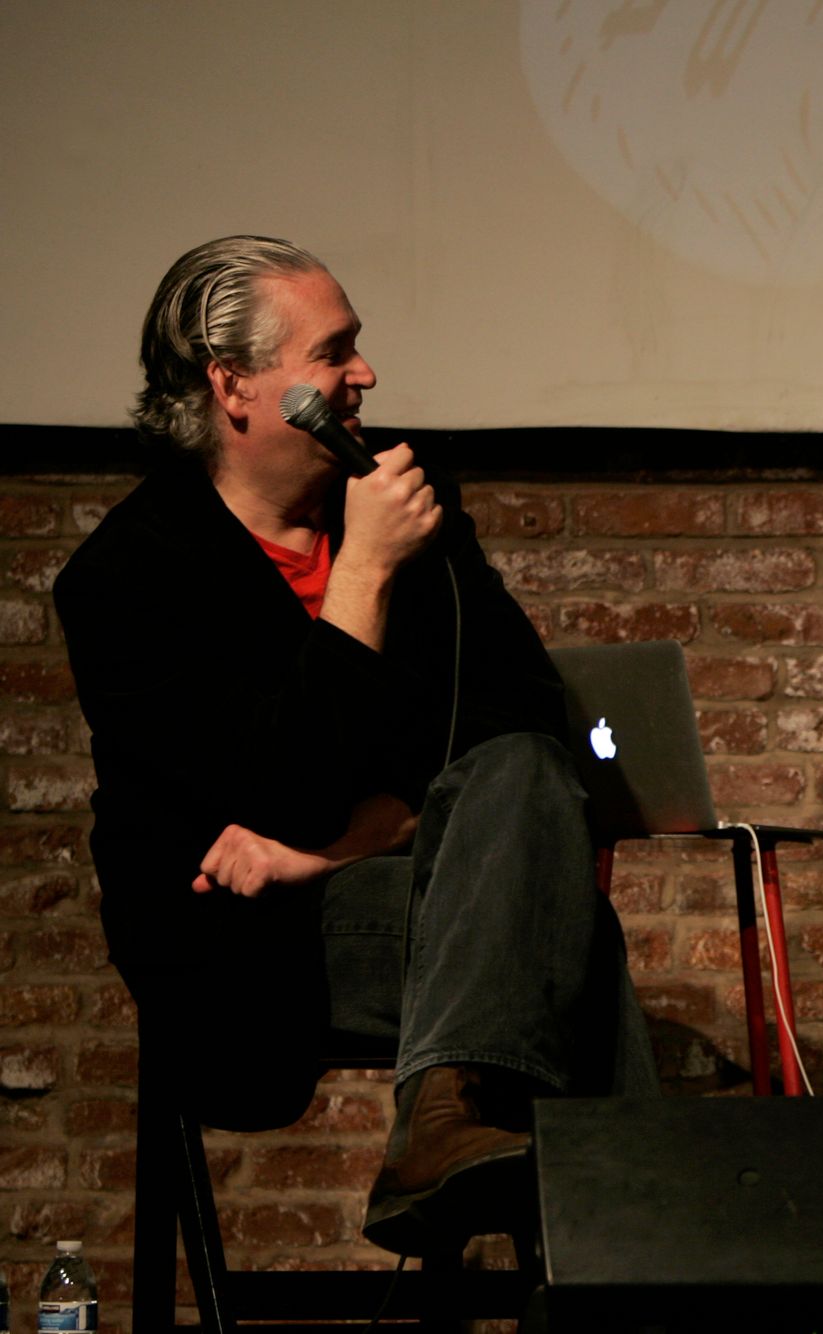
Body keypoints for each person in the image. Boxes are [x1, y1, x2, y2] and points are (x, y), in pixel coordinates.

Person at [54, 236, 655, 1256]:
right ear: (235, 387)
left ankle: (455, 1134)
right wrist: (364, 572)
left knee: (525, 796)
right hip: (245, 948)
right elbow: (277, 786)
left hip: (392, 890)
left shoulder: (393, 498)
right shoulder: (128, 579)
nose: (364, 375)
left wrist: (341, 845)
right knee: (569, 940)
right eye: (334, 353)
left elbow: (519, 722)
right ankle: (634, 1267)